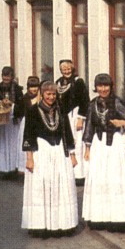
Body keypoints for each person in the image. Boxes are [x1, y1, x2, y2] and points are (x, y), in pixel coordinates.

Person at [81, 73, 125, 229]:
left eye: (106, 86)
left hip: (115, 144)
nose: (103, 89)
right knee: (100, 179)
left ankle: (120, 219)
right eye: (100, 86)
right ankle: (100, 218)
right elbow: (89, 127)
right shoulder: (92, 105)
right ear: (95, 87)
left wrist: (122, 122)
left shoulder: (116, 102)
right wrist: (87, 149)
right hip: (98, 145)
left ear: (111, 87)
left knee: (116, 178)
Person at [21, 81, 79, 236]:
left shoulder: (61, 110)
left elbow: (67, 133)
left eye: (54, 94)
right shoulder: (33, 111)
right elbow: (28, 135)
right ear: (42, 94)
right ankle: (41, 225)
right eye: (48, 94)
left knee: (60, 186)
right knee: (42, 187)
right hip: (41, 152)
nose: (51, 97)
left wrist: (72, 155)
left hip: (59, 151)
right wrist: (29, 158)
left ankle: (61, 224)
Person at [56, 59, 89, 183]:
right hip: (64, 117)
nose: (66, 71)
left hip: (75, 116)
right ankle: (68, 172)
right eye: (64, 69)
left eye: (68, 68)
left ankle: (80, 174)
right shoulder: (58, 82)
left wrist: (81, 118)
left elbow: (85, 101)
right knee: (67, 142)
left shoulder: (78, 82)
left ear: (72, 68)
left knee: (78, 142)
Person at [0, 66, 24, 179]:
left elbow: (21, 105)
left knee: (13, 145)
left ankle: (13, 168)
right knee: (3, 144)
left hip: (13, 121)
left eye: (8, 76)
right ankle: (4, 168)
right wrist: (0, 103)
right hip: (1, 120)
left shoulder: (17, 89)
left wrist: (11, 104)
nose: (6, 79)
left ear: (12, 77)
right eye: (4, 76)